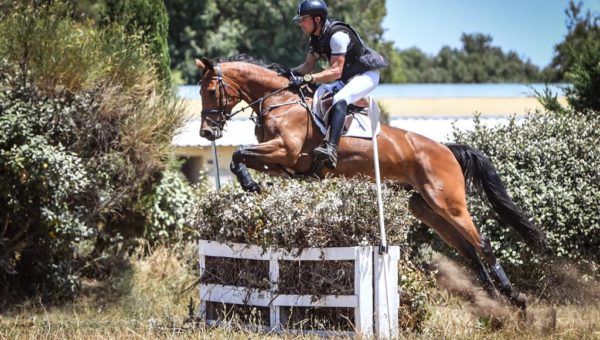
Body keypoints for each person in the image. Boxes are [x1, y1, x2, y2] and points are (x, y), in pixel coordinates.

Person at [288, 0, 388, 169]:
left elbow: (335, 72)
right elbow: (308, 67)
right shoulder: (315, 38)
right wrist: (287, 73)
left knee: (341, 97)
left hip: (366, 75)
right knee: (317, 95)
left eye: (302, 19)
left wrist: (306, 79)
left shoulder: (337, 36)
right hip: (347, 78)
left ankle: (331, 148)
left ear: (317, 19)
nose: (299, 23)